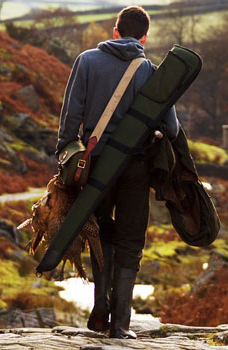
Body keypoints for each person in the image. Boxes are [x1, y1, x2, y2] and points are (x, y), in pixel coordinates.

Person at [55, 6, 179, 339]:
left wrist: (67, 158)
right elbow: (171, 126)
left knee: (100, 235)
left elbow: (70, 119)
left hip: (95, 165)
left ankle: (100, 309)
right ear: (144, 37)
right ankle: (121, 325)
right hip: (136, 167)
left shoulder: (86, 61)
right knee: (130, 242)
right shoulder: (151, 72)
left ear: (114, 31)